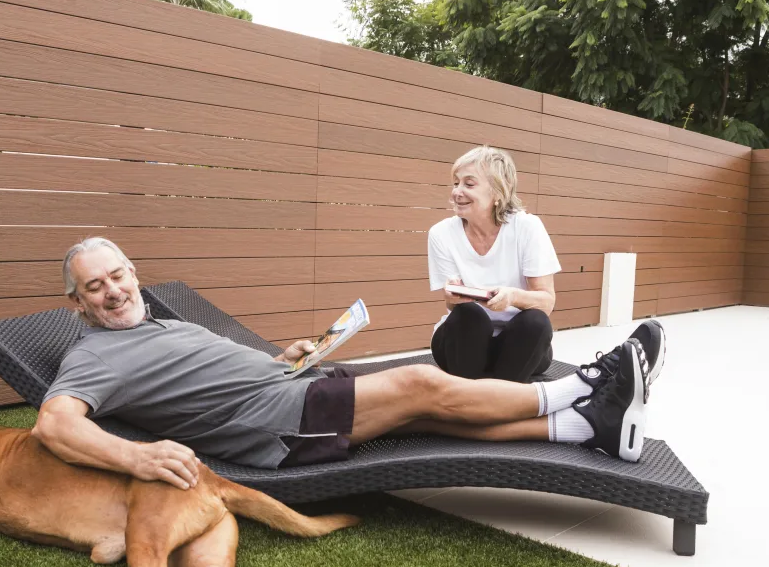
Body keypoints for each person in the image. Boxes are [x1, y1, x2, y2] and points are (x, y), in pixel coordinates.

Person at [33, 237, 667, 492]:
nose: (112, 291)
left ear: (132, 273)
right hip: (275, 426)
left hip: (288, 387)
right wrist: (137, 457)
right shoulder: (94, 354)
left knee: (431, 416)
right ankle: (585, 386)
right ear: (78, 302)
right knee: (423, 383)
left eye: (117, 275)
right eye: (95, 287)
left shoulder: (163, 318)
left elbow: (210, 374)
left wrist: (282, 355)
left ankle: (591, 428)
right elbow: (54, 424)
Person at [428, 145, 558, 383]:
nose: (457, 191)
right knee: (469, 315)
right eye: (456, 183)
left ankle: (500, 397)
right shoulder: (441, 233)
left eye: (469, 184)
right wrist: (452, 297)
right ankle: (469, 397)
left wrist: (511, 297)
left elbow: (547, 301)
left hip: (518, 345)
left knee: (537, 321)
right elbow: (451, 305)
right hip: (464, 344)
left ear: (498, 192)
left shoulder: (527, 227)